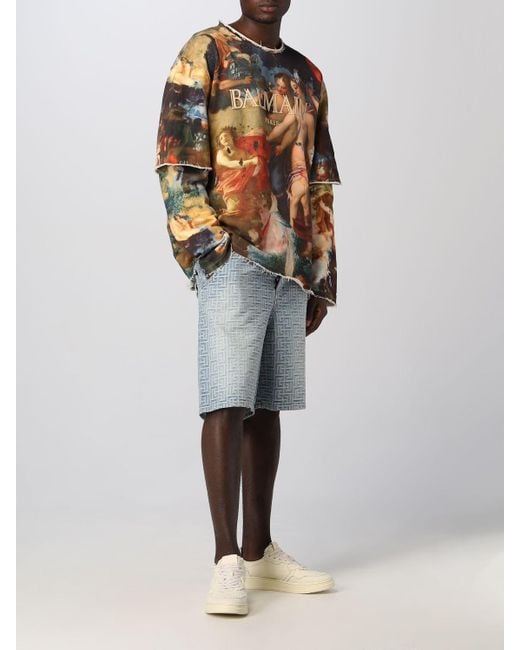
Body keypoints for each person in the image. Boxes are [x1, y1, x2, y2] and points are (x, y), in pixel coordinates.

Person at [154, 0, 341, 616]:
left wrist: (320, 272)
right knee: (226, 400)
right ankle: (226, 559)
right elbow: (176, 156)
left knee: (267, 404)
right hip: (231, 254)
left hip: (291, 263)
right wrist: (209, 246)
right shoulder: (205, 51)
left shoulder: (307, 74)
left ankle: (259, 552)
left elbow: (318, 177)